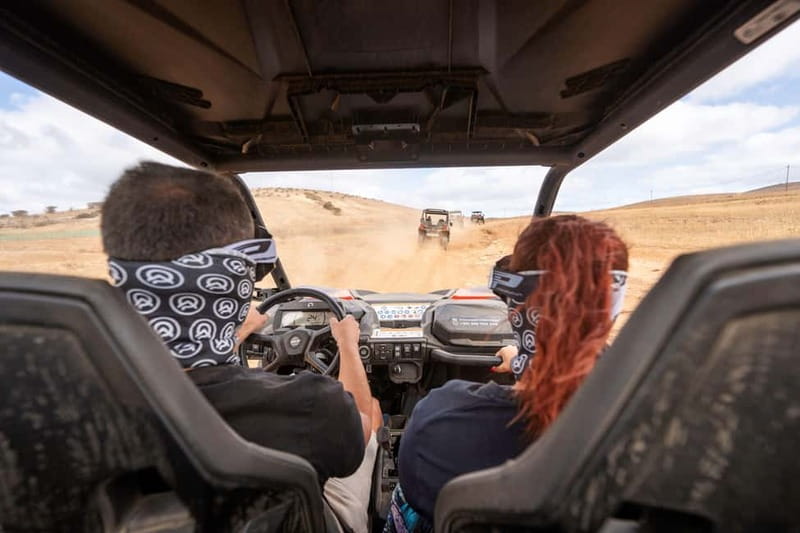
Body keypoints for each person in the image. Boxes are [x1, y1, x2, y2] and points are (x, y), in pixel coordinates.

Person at [101, 161, 379, 533]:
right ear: (233, 284)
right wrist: (347, 343)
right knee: (373, 417)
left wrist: (233, 335)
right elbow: (359, 425)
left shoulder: (71, 402)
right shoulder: (310, 406)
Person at [385, 214, 629, 531]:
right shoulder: (645, 426)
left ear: (517, 312)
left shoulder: (439, 424)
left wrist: (526, 361)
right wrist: (522, 363)